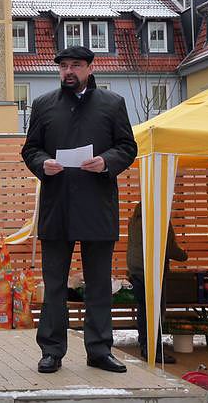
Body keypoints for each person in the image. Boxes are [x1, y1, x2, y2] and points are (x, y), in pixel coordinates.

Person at [21, 46, 137, 374]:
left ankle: (99, 350)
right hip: (57, 207)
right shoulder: (43, 105)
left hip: (97, 206)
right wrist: (43, 163)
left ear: (89, 68)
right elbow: (30, 149)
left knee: (98, 284)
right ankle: (51, 351)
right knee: (54, 284)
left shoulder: (112, 103)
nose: (68, 71)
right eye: (63, 66)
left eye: (75, 65)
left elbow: (127, 147)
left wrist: (106, 161)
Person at [127, 202, 187, 364]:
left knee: (143, 310)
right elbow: (169, 247)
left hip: (136, 271)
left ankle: (145, 345)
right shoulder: (159, 221)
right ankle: (154, 350)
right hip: (152, 271)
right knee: (155, 312)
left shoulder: (133, 221)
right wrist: (184, 255)